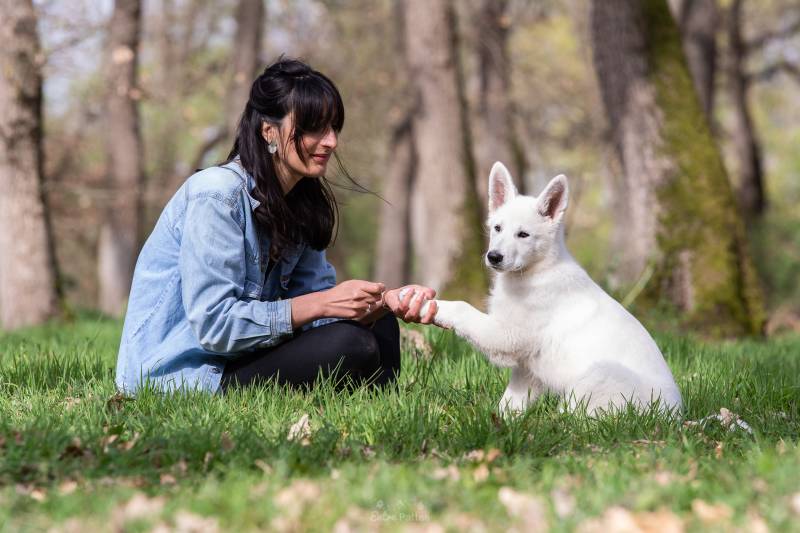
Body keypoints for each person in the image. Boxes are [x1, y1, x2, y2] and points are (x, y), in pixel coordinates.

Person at [114, 58, 437, 395]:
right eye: (314, 128)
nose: (331, 142)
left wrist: (383, 302)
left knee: (378, 325)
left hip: (245, 355)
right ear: (269, 130)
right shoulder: (216, 196)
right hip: (184, 372)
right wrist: (325, 302)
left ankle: (377, 413)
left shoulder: (301, 202)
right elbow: (214, 327)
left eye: (333, 127)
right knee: (352, 343)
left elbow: (315, 308)